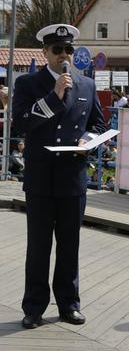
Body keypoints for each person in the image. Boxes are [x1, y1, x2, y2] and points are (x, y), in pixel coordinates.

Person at [12, 24, 106, 329]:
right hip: (40, 177)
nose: (63, 55)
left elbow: (99, 125)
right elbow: (22, 125)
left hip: (72, 177)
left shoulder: (87, 85)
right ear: (45, 53)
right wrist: (54, 96)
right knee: (38, 246)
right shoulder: (28, 83)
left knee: (70, 245)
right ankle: (34, 307)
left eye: (68, 50)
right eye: (57, 50)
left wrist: (87, 142)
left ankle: (69, 303)